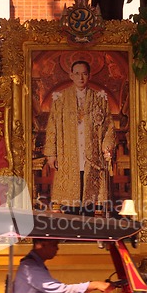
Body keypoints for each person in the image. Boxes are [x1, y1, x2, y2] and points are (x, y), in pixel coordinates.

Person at [44, 60, 115, 213]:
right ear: (71, 75)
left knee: (90, 194)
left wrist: (106, 148)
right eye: (77, 74)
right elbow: (52, 127)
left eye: (84, 74)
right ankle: (71, 229)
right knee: (70, 196)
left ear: (89, 75)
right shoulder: (61, 99)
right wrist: (51, 154)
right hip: (68, 154)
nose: (80, 78)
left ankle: (88, 229)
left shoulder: (99, 99)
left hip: (92, 155)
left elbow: (108, 126)